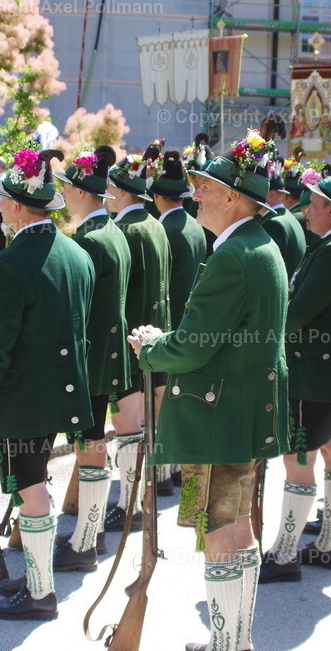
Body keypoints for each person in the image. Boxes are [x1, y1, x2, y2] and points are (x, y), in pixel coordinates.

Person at [127, 129, 289, 651]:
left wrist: (152, 347)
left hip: (221, 417)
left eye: (206, 185)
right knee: (237, 527)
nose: (197, 192)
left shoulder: (236, 254)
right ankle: (236, 642)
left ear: (233, 197)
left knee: (221, 533)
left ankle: (227, 645)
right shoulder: (255, 245)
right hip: (242, 412)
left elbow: (196, 344)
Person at [0, 148, 94, 621]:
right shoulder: (77, 254)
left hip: (22, 400)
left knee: (32, 489)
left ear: (16, 208)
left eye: (3, 202)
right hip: (63, 395)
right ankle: (38, 581)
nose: (1, 209)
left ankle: (40, 593)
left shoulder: (11, 264)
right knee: (34, 485)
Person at [259, 164, 331, 584]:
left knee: (297, 458)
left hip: (317, 373)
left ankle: (286, 552)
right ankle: (330, 544)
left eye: (314, 203)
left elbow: (297, 313)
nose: (306, 209)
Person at [40, 144, 131, 572]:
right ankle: (87, 536)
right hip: (108, 356)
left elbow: (80, 309)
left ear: (80, 193)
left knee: (89, 447)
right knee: (92, 445)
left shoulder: (93, 240)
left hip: (92, 359)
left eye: (65, 188)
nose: (62, 194)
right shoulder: (113, 231)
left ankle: (86, 541)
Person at [103, 145, 172, 531]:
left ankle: (130, 504)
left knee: (130, 429)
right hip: (155, 336)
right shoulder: (155, 225)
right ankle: (144, 494)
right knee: (145, 426)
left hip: (133, 342)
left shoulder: (126, 229)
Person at [150, 149, 207, 495]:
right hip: (189, 323)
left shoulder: (163, 230)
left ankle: (163, 473)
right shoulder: (196, 226)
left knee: (162, 401)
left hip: (169, 323)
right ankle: (173, 471)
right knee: (174, 400)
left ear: (157, 196)